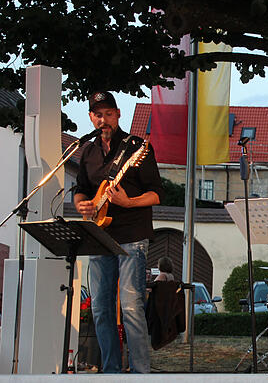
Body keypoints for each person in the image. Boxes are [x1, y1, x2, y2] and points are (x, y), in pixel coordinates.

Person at [74, 91, 163, 374]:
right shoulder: (87, 151)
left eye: (108, 114)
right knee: (100, 308)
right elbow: (80, 190)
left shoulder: (136, 147)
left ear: (118, 114)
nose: (104, 120)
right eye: (98, 115)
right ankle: (110, 371)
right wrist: (82, 205)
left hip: (132, 236)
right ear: (91, 117)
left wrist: (128, 202)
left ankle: (140, 373)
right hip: (99, 236)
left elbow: (157, 194)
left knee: (131, 307)